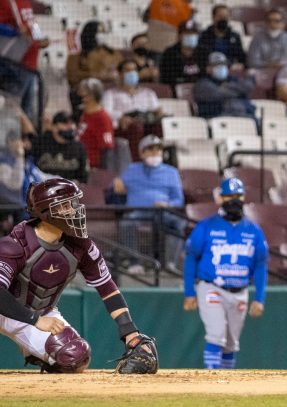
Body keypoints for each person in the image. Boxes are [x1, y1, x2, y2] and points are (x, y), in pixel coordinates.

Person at [0, 178, 158, 374]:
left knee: (74, 356)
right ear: (45, 211)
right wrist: (35, 321)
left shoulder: (81, 245)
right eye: (65, 206)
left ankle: (39, 358)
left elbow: (107, 288)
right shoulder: (15, 244)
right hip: (9, 311)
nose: (73, 210)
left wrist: (130, 332)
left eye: (73, 204)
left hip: (40, 312)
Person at [183, 177, 268, 369]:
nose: (233, 200)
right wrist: (189, 292)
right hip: (212, 287)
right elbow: (191, 257)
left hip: (240, 291)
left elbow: (261, 265)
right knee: (216, 333)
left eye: (238, 195)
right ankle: (212, 378)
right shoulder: (207, 226)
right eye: (229, 196)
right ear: (221, 198)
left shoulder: (253, 230)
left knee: (231, 343)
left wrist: (259, 298)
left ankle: (226, 381)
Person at [114, 135, 185, 274]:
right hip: (138, 211)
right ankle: (134, 263)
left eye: (158, 150)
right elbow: (117, 187)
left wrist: (167, 204)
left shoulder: (172, 172)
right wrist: (116, 184)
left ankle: (170, 264)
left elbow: (179, 199)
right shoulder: (131, 169)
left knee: (178, 223)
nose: (155, 153)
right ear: (142, 153)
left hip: (162, 212)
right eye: (150, 150)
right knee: (126, 222)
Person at [103, 59, 163, 160]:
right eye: (127, 70)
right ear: (120, 74)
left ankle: (157, 159)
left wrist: (159, 113)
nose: (131, 73)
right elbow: (105, 112)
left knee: (160, 126)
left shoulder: (148, 93)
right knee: (136, 127)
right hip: (124, 126)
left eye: (134, 70)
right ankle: (137, 162)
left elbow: (156, 110)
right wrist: (121, 116)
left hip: (145, 122)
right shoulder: (111, 94)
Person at [0, 0, 49, 119]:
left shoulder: (24, 1)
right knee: (12, 112)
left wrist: (39, 38)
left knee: (28, 113)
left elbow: (31, 22)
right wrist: (13, 32)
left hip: (30, 64)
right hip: (14, 65)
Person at [65, 21, 123, 118]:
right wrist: (98, 76)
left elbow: (121, 70)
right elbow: (72, 77)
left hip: (111, 92)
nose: (102, 35)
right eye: (99, 32)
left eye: (103, 32)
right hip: (86, 93)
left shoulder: (114, 54)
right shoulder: (75, 57)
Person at [30, 112, 89, 183]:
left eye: (72, 123)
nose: (71, 127)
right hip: (44, 186)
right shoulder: (40, 143)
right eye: (65, 123)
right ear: (54, 127)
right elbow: (31, 170)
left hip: (70, 188)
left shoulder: (79, 148)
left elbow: (84, 178)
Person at [194, 52, 255, 119]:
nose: (221, 67)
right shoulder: (202, 84)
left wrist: (226, 87)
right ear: (208, 68)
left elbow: (248, 87)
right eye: (216, 65)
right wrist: (238, 91)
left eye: (223, 64)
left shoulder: (232, 79)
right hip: (216, 119)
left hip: (240, 116)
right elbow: (220, 94)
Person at [75, 78, 114, 170]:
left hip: (92, 167)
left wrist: (102, 174)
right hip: (77, 163)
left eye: (82, 92)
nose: (78, 94)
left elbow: (106, 149)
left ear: (91, 96)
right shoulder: (84, 114)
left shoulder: (102, 118)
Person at [195, 4, 246, 73]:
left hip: (230, 71)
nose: (223, 19)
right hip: (211, 71)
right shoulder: (204, 36)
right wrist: (205, 68)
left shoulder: (235, 36)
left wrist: (240, 65)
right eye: (220, 16)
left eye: (226, 17)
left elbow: (242, 58)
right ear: (213, 17)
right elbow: (199, 59)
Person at [160, 20, 203, 90]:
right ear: (179, 35)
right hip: (176, 90)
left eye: (194, 33)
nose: (191, 36)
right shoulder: (170, 53)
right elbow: (166, 79)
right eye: (187, 33)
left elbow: (206, 75)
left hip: (200, 90)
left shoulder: (203, 52)